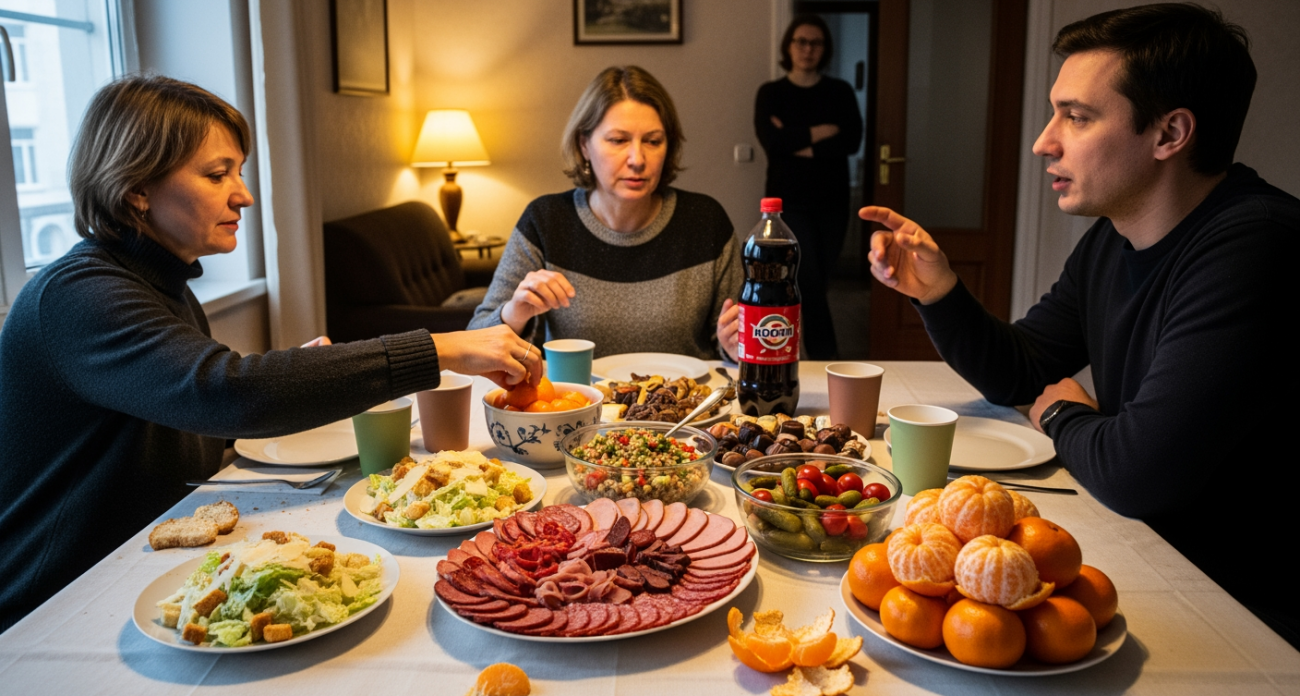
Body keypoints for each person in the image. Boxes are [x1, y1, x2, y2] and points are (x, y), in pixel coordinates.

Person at [0, 75, 543, 633]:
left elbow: (197, 410)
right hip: (57, 601)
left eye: (238, 171)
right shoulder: (78, 294)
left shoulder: (162, 286)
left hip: (144, 560)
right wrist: (439, 348)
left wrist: (305, 372)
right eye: (217, 174)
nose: (244, 194)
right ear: (137, 188)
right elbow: (224, 393)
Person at [863, 4, 1298, 645]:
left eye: (1077, 116)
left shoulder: (1255, 247)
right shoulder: (1112, 240)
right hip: (1154, 561)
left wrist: (1062, 415)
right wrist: (940, 294)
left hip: (1248, 616)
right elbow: (1020, 369)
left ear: (1169, 133)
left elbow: (1135, 472)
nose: (1045, 140)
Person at [469, 66, 742, 361]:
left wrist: (737, 348)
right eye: (618, 140)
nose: (637, 159)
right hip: (576, 402)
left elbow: (739, 341)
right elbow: (475, 340)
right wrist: (515, 312)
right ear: (584, 145)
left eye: (652, 141)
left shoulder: (705, 221)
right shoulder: (546, 220)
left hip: (690, 403)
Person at [754, 15, 863, 360]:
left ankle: (803, 352)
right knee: (807, 279)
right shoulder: (771, 93)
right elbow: (772, 141)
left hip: (832, 202)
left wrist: (795, 137)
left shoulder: (840, 91)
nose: (807, 49)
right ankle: (823, 356)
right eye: (801, 41)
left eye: (815, 43)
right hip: (787, 206)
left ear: (824, 49)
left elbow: (851, 141)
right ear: (788, 46)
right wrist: (820, 132)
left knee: (820, 280)